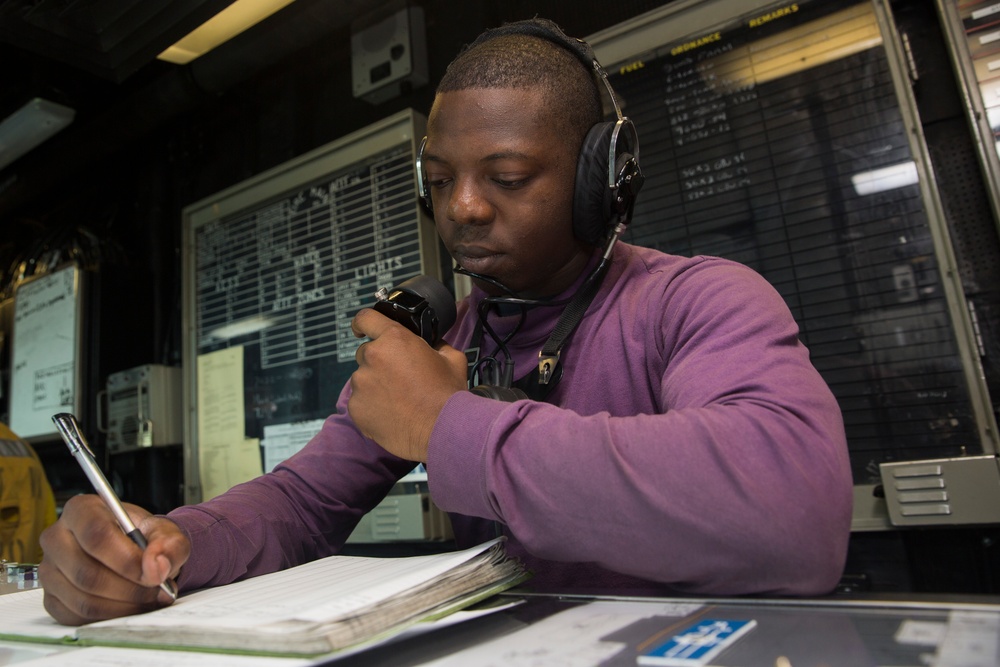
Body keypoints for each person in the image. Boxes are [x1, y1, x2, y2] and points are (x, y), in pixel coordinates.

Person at [39, 18, 853, 626]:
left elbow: (794, 516)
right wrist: (167, 543)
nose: (461, 206)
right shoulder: (444, 341)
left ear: (601, 180)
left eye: (506, 175)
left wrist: (446, 425)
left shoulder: (701, 299)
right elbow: (299, 501)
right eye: (439, 178)